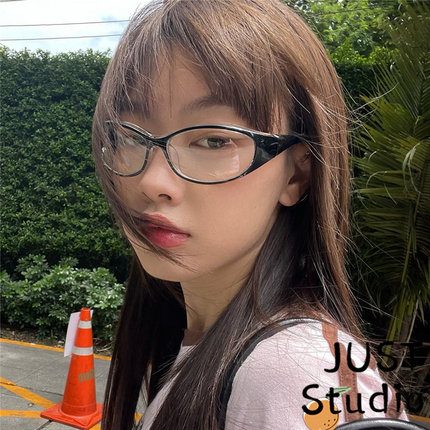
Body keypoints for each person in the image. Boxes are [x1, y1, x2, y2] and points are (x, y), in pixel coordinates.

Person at [91, 0, 409, 428]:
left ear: (296, 174)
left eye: (214, 141)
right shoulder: (203, 337)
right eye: (129, 135)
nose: (151, 181)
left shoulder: (294, 373)